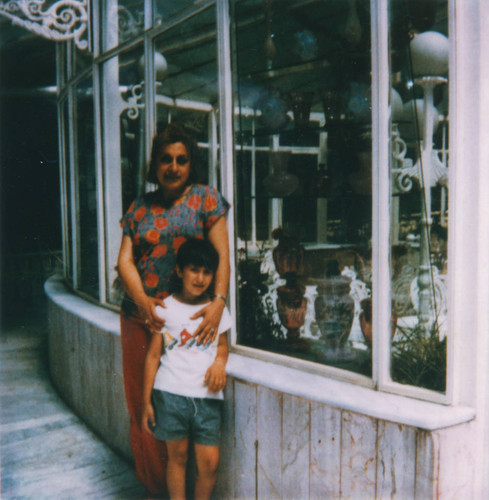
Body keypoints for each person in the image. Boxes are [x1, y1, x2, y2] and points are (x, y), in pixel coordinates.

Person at [117, 123, 230, 495]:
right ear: (155, 164)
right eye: (165, 159)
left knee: (184, 410)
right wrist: (144, 303)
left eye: (182, 159)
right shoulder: (139, 207)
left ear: (190, 163)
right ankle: (156, 489)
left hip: (192, 321)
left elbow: (223, 258)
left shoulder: (206, 199)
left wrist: (218, 303)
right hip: (141, 320)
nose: (173, 167)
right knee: (144, 407)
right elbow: (125, 261)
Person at [142, 238, 232, 500]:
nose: (200, 278)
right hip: (170, 396)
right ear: (180, 271)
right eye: (194, 269)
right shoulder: (165, 308)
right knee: (177, 459)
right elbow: (152, 356)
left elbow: (223, 347)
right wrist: (146, 401)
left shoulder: (216, 311)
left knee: (209, 465)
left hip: (207, 400)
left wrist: (219, 362)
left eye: (207, 271)